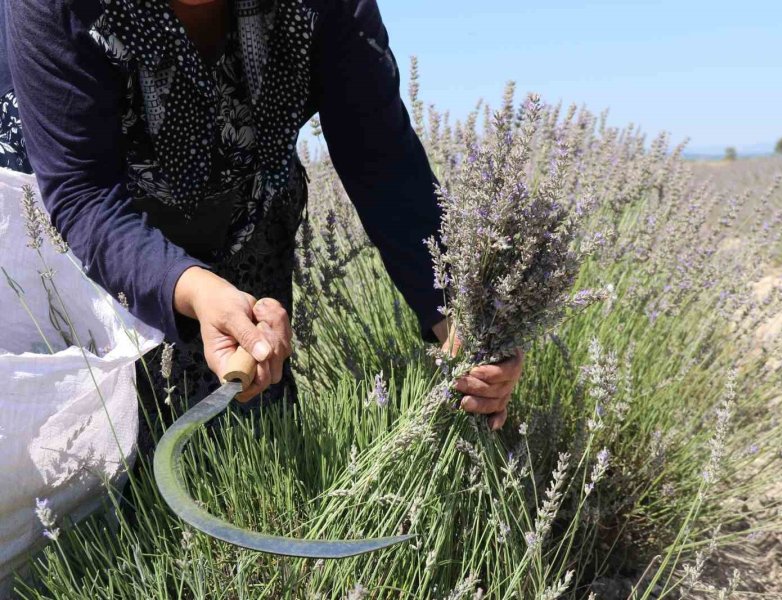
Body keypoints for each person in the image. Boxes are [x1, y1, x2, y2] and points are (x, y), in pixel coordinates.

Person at [2, 0, 523, 433]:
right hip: (57, 225)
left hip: (241, 196)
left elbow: (383, 162)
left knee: (246, 422)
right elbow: (82, 191)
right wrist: (192, 287)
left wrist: (461, 315)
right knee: (85, 441)